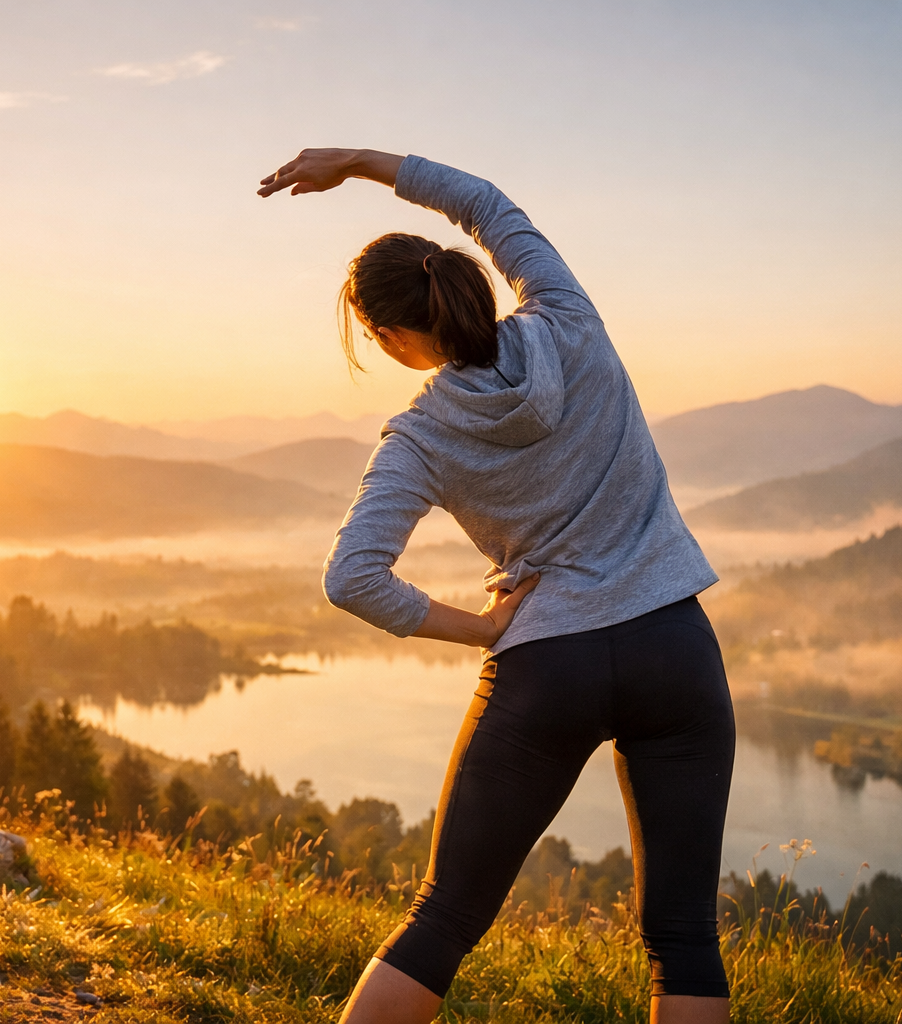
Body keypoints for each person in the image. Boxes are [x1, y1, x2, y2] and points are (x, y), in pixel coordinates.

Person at [258, 150, 734, 1024]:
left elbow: (351, 578)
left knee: (442, 919)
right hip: (676, 649)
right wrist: (360, 162)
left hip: (547, 667)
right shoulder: (570, 321)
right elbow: (483, 201)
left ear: (395, 338)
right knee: (683, 936)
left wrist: (477, 631)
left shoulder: (419, 437)